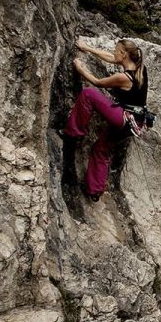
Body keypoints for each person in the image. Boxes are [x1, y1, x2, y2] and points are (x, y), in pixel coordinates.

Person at [61, 38, 149, 202]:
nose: (114, 52)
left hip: (123, 119)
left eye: (117, 50)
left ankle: (74, 133)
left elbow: (97, 82)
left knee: (89, 94)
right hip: (134, 124)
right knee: (101, 149)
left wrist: (80, 68)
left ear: (123, 54)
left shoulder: (124, 77)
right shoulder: (141, 70)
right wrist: (87, 48)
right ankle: (94, 190)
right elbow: (110, 57)